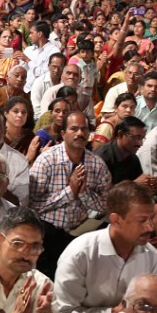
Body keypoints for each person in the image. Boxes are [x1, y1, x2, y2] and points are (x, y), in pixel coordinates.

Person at [54, 181, 157, 313]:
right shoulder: (80, 254)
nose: (150, 227)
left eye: (151, 219)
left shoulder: (150, 255)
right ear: (116, 220)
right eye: (142, 220)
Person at [29, 111, 111, 278]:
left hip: (79, 233)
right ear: (63, 133)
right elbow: (33, 205)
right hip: (47, 233)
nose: (80, 133)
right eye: (74, 129)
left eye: (84, 129)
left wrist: (83, 193)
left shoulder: (97, 164)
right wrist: (70, 191)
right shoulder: (46, 160)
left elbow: (105, 205)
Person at [96, 116, 157, 186]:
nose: (140, 143)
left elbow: (139, 184)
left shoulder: (133, 158)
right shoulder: (102, 157)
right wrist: (133, 184)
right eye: (136, 137)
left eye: (142, 138)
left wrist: (149, 185)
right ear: (120, 134)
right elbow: (102, 192)